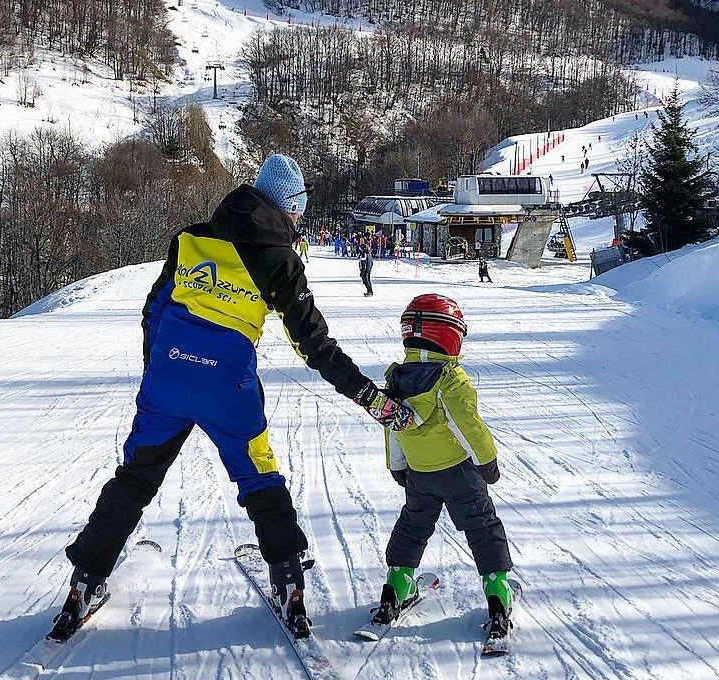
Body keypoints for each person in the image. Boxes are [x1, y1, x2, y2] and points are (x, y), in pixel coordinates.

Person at [52, 154, 409, 641]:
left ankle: (84, 581)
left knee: (134, 479)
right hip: (229, 389)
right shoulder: (280, 260)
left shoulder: (189, 239)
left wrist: (159, 369)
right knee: (259, 477)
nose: (299, 221)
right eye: (298, 212)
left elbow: (154, 310)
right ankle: (288, 580)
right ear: (287, 208)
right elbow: (316, 347)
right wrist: (371, 399)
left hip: (168, 380)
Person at [370, 294, 516, 642]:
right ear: (449, 335)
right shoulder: (450, 379)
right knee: (481, 526)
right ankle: (497, 591)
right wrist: (487, 462)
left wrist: (398, 465)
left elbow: (393, 426)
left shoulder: (397, 379)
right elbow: (469, 425)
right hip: (459, 473)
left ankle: (397, 583)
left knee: (413, 525)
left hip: (420, 473)